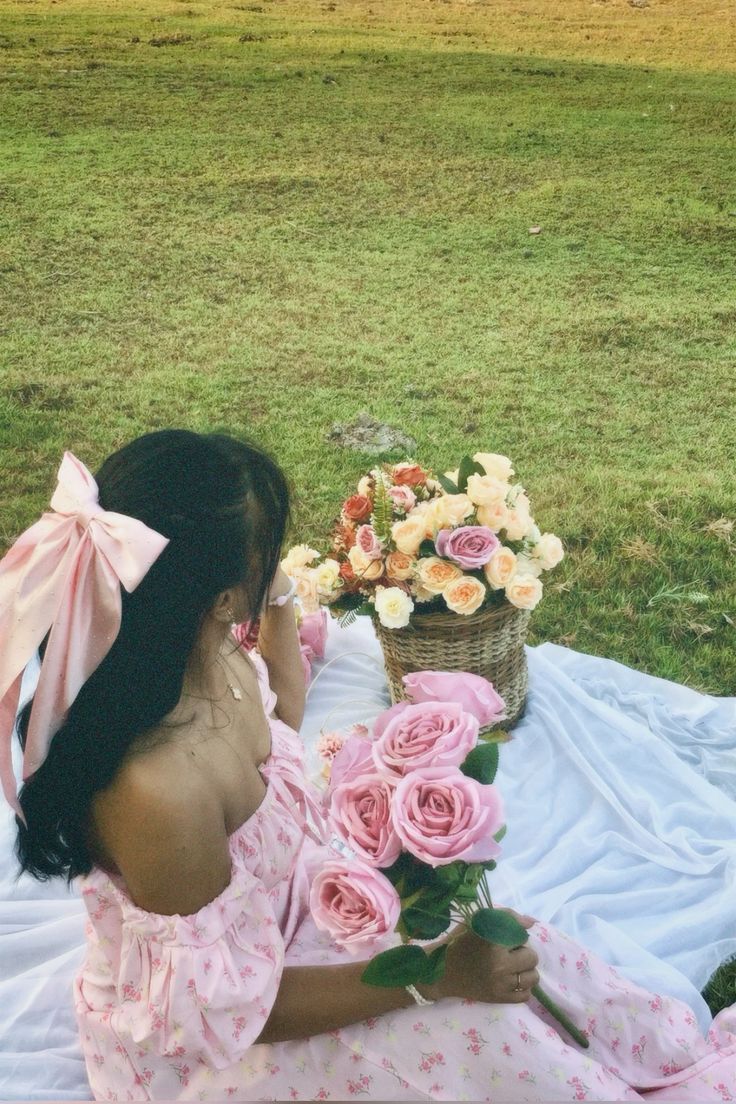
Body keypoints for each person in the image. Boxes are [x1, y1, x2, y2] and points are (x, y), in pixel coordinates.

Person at [2, 427, 736, 1102]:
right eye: (270, 554)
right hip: (222, 1043)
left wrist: (281, 599)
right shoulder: (155, 791)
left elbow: (282, 712)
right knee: (481, 1030)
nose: (279, 568)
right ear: (222, 597)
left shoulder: (207, 653)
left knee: (524, 946)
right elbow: (231, 1013)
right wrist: (430, 979)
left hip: (300, 928)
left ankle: (667, 1068)